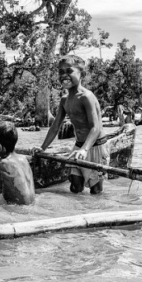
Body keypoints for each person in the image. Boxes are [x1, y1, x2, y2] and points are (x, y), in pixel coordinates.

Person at [36, 55, 108, 194]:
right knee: (75, 187)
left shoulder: (86, 97)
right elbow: (55, 127)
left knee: (96, 190)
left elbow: (95, 127)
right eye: (61, 72)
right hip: (78, 146)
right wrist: (42, 148)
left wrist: (85, 150)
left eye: (69, 71)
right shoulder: (64, 100)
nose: (64, 75)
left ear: (82, 74)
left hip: (95, 146)